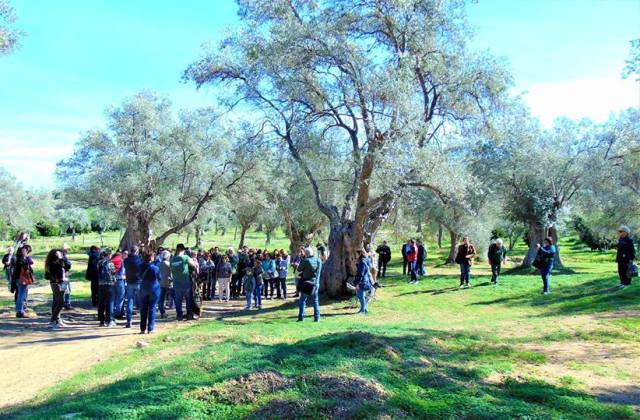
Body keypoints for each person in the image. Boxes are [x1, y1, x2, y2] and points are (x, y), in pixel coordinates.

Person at [170, 244, 197, 321]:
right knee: (188, 299)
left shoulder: (172, 260)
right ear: (182, 250)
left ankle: (179, 315)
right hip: (185, 282)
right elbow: (194, 265)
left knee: (178, 300)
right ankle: (189, 315)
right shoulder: (185, 257)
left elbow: (171, 270)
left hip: (176, 282)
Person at [297, 246, 322, 322]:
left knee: (302, 300)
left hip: (306, 283)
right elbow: (319, 272)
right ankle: (317, 318)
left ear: (306, 254)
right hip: (316, 283)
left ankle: (301, 317)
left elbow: (298, 269)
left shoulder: (306, 261)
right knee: (315, 301)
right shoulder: (318, 260)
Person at [138, 250, 161, 334]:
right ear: (151, 258)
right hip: (154, 288)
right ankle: (150, 328)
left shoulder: (140, 266)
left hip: (143, 287)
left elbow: (138, 275)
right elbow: (159, 277)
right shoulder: (155, 268)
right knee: (152, 308)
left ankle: (142, 328)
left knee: (143, 308)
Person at [45, 249, 67, 329]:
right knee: (60, 302)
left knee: (59, 302)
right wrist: (61, 259)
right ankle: (53, 320)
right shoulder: (53, 264)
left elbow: (68, 265)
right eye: (59, 254)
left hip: (62, 283)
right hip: (56, 284)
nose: (60, 255)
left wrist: (63, 257)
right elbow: (50, 275)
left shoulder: (61, 261)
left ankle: (56, 320)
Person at [123, 246, 143, 328]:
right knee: (141, 301)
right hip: (138, 282)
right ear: (137, 251)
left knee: (130, 301)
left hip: (129, 281)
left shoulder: (126, 260)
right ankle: (142, 319)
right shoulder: (139, 260)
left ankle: (129, 320)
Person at [97, 249, 117, 327]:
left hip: (101, 285)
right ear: (108, 255)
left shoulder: (99, 263)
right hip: (109, 285)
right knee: (110, 303)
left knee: (101, 303)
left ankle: (101, 320)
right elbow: (113, 273)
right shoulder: (110, 264)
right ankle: (109, 320)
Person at [13, 245, 34, 318]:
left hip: (19, 279)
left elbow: (31, 263)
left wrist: (27, 257)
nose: (26, 252)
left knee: (20, 295)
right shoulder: (21, 260)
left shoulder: (19, 259)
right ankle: (20, 311)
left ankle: (19, 311)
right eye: (25, 251)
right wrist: (26, 256)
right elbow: (28, 265)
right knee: (21, 295)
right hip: (21, 279)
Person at [354, 249, 373, 315]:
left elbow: (360, 274)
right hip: (366, 280)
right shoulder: (366, 260)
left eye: (356, 254)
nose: (355, 256)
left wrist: (357, 283)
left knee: (360, 295)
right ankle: (364, 309)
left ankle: (363, 310)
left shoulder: (362, 262)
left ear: (360, 254)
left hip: (362, 281)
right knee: (362, 296)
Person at [112, 250, 127, 319]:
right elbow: (121, 273)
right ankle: (117, 314)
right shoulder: (121, 260)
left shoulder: (111, 261)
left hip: (113, 281)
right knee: (120, 298)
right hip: (120, 281)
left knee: (114, 297)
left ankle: (112, 312)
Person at [158, 250, 173, 318]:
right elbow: (171, 275)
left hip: (160, 283)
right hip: (168, 283)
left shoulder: (158, 264)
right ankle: (178, 312)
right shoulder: (169, 264)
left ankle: (162, 312)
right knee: (174, 297)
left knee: (161, 299)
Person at [61, 244, 73, 309]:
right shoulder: (64, 256)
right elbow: (68, 265)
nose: (68, 250)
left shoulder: (61, 255)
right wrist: (69, 263)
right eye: (67, 249)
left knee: (65, 289)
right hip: (64, 274)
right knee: (66, 289)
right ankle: (67, 303)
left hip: (64, 274)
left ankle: (64, 303)